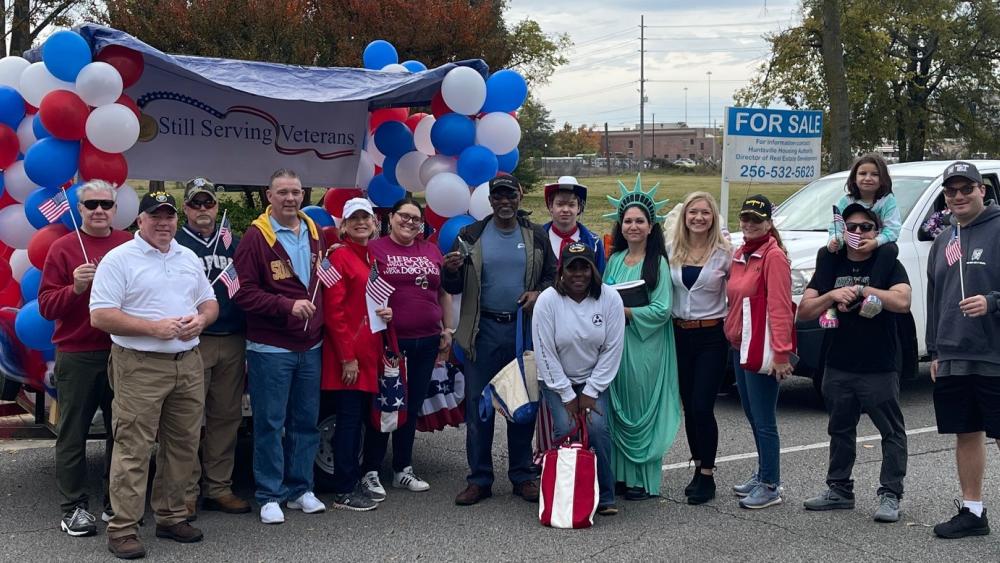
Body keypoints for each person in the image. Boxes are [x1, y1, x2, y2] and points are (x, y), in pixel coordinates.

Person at [90, 191, 218, 559]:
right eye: (155, 216)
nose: (163, 223)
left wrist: (202, 320)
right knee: (134, 447)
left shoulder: (186, 256)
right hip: (139, 364)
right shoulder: (119, 260)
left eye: (169, 216)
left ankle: (171, 516)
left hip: (188, 362)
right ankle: (123, 528)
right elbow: (100, 315)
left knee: (182, 445)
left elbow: (208, 301)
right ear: (139, 221)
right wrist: (152, 328)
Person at [442, 173, 556, 506]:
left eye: (511, 196)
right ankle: (479, 479)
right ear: (490, 201)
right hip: (483, 331)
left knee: (522, 404)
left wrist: (539, 292)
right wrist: (450, 270)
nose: (505, 202)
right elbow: (452, 287)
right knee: (480, 409)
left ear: (520, 196)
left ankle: (522, 476)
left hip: (522, 332)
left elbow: (552, 276)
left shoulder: (536, 235)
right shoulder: (470, 234)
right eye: (498, 197)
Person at [798, 203, 911, 523]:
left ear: (877, 232)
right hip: (837, 363)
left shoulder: (887, 260)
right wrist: (833, 296)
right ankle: (839, 490)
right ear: (842, 230)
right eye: (852, 226)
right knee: (840, 430)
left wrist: (863, 289)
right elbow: (804, 312)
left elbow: (903, 301)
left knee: (891, 432)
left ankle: (890, 494)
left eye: (866, 227)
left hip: (879, 364)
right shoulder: (830, 260)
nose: (858, 232)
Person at [38, 180, 132, 536]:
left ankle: (115, 501)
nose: (98, 210)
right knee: (72, 433)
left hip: (122, 351)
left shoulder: (128, 244)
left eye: (105, 205)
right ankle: (73, 508)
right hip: (76, 354)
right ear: (79, 210)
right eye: (90, 204)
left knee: (121, 431)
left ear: (114, 209)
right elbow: (46, 306)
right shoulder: (63, 248)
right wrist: (74, 288)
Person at [232, 169, 326, 524]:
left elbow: (320, 282)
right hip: (270, 348)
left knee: (306, 422)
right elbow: (242, 293)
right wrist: (286, 306)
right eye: (283, 192)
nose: (290, 198)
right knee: (270, 423)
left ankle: (301, 489)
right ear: (269, 196)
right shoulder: (256, 238)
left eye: (296, 192)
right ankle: (269, 494)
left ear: (303, 195)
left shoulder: (314, 232)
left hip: (310, 345)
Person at [926, 161, 1000, 539]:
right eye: (951, 191)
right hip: (954, 354)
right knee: (966, 433)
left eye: (965, 189)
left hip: (994, 355)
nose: (958, 196)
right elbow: (935, 296)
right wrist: (935, 350)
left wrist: (992, 301)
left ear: (982, 190)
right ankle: (973, 511)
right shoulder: (944, 240)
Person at [363, 198, 452, 497]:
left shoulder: (431, 250)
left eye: (416, 219)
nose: (410, 222)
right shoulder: (374, 250)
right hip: (390, 341)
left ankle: (403, 468)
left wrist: (447, 329)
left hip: (426, 340)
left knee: (411, 406)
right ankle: (371, 471)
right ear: (390, 218)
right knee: (385, 405)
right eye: (405, 216)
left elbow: (443, 293)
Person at [173, 178, 250, 518]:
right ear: (185, 208)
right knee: (187, 419)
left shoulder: (231, 242)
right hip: (193, 341)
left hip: (232, 337)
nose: (202, 209)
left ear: (217, 206)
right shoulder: (175, 242)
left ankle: (218, 487)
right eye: (195, 204)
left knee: (226, 417)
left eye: (208, 203)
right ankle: (185, 493)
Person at [602, 175, 681, 500]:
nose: (633, 226)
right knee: (619, 408)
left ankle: (642, 480)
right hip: (618, 346)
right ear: (621, 225)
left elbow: (663, 309)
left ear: (651, 227)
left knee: (640, 407)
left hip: (647, 346)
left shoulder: (658, 263)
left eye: (640, 221)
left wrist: (628, 313)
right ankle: (621, 475)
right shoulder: (615, 261)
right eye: (628, 221)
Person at [533, 242, 625, 515]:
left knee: (597, 429)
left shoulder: (609, 298)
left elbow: (613, 349)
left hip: (593, 379)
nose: (578, 273)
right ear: (562, 270)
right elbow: (544, 351)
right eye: (572, 267)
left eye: (584, 266)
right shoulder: (547, 300)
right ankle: (566, 494)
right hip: (556, 379)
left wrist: (591, 390)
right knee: (565, 428)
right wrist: (567, 394)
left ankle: (605, 495)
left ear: (594, 269)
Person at [724, 194, 795, 510]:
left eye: (757, 220)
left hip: (762, 347)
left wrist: (782, 353)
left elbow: (780, 306)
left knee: (764, 419)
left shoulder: (773, 256)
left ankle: (771, 484)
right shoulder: (742, 252)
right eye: (746, 219)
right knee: (753, 414)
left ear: (769, 223)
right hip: (741, 345)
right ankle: (763, 472)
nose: (750, 224)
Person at [321, 197, 390, 512]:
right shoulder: (338, 258)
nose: (361, 223)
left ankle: (353, 481)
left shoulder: (369, 258)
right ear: (344, 226)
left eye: (367, 218)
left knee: (359, 419)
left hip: (368, 353)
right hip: (348, 358)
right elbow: (334, 313)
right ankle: (344, 490)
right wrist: (347, 357)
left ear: (374, 223)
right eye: (354, 219)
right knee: (348, 422)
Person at [667, 191, 732, 505]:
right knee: (689, 408)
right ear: (684, 215)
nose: (699, 218)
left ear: (714, 217)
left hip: (712, 337)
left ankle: (708, 474)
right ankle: (697, 464)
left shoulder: (725, 252)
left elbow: (740, 290)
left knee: (703, 407)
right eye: (693, 212)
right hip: (679, 336)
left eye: (705, 213)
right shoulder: (671, 250)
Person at [818, 154, 900, 327]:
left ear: (883, 178)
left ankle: (871, 297)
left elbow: (893, 229)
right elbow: (836, 224)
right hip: (848, 246)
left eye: (874, 174)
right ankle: (829, 308)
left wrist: (875, 242)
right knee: (825, 253)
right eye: (862, 173)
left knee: (890, 249)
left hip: (874, 247)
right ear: (854, 178)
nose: (868, 178)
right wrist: (835, 240)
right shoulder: (846, 201)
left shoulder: (887, 201)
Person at [541, 176, 606, 272]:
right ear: (550, 206)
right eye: (560, 204)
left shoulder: (593, 242)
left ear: (579, 207)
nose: (565, 210)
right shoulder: (538, 238)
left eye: (571, 205)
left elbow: (599, 278)